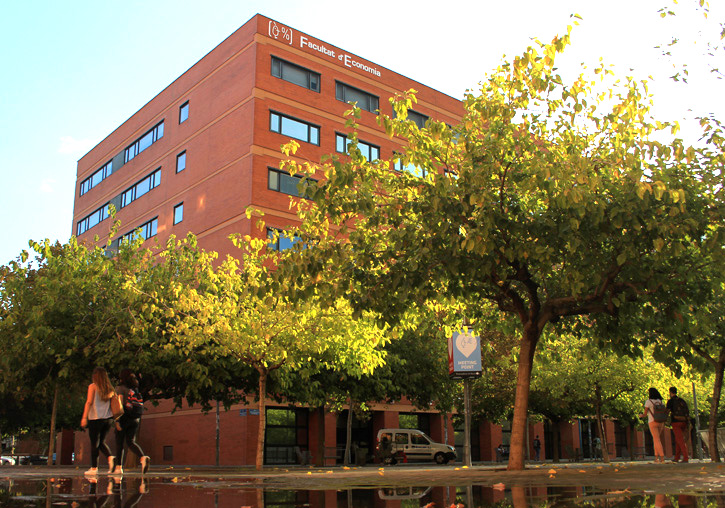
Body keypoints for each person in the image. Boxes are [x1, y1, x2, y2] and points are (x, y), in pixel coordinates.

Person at [113, 369, 150, 475]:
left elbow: (119, 405)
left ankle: (118, 468)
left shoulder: (120, 388)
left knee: (119, 442)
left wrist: (117, 420)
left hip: (124, 417)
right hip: (135, 419)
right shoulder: (134, 389)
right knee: (130, 441)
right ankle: (143, 457)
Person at [81, 367, 117, 475]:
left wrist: (84, 417)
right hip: (108, 419)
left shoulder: (93, 387)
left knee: (94, 443)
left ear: (95, 376)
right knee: (101, 442)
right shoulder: (110, 388)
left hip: (95, 418)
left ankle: (94, 468)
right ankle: (110, 458)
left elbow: (89, 402)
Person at [641, 387, 667, 463]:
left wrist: (641, 415)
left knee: (656, 439)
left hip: (652, 422)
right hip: (661, 422)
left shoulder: (648, 402)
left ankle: (662, 457)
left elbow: (645, 414)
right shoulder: (661, 402)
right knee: (656, 439)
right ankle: (656, 458)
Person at [666, 386, 690, 463]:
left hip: (675, 422)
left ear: (670, 392)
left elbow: (667, 411)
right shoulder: (681, 400)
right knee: (678, 440)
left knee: (680, 440)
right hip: (684, 421)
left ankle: (685, 458)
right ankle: (677, 457)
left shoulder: (670, 401)